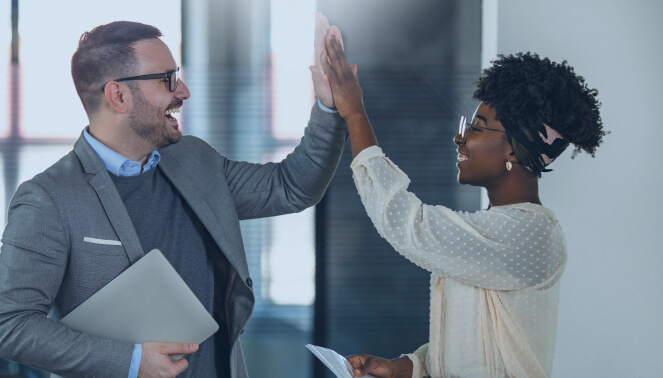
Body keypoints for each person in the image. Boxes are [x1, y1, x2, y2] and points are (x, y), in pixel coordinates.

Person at [0, 15, 347, 378]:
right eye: (167, 79)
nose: (183, 91)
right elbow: (10, 324)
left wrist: (327, 104)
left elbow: (291, 187)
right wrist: (131, 362)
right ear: (117, 96)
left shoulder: (195, 160)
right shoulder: (48, 199)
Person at [321, 32, 605, 377]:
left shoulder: (530, 233)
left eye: (476, 128)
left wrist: (354, 113)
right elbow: (471, 352)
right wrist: (405, 368)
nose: (461, 137)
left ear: (513, 149)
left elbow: (407, 224)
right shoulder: (493, 230)